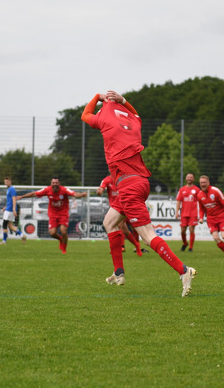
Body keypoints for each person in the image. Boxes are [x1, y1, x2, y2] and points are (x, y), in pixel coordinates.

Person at [82, 90, 196, 295]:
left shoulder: (104, 117)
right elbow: (136, 113)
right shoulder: (133, 121)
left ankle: (183, 271)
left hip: (128, 186)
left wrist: (98, 96)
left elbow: (85, 115)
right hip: (140, 182)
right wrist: (124, 101)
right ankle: (118, 272)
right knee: (109, 223)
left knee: (148, 237)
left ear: (104, 107)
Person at [19, 176, 86, 254]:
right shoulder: (47, 190)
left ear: (59, 183)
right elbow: (34, 193)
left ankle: (64, 249)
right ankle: (60, 239)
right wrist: (22, 196)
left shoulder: (64, 190)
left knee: (63, 231)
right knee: (52, 233)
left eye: (56, 183)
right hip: (53, 214)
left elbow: (74, 194)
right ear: (51, 184)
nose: (55, 184)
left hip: (63, 214)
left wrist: (82, 194)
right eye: (53, 183)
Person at [97, 175, 143, 255]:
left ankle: (136, 245)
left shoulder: (124, 178)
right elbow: (101, 188)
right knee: (121, 228)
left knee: (134, 228)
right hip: (116, 209)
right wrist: (99, 191)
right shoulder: (107, 180)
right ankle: (124, 246)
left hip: (127, 205)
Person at [196, 175, 224, 259]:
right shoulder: (199, 195)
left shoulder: (216, 191)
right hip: (211, 219)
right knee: (215, 237)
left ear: (208, 183)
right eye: (201, 183)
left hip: (221, 217)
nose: (203, 184)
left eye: (204, 182)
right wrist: (201, 218)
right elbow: (201, 209)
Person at [175, 173, 200, 252]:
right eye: (188, 177)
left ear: (193, 179)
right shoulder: (182, 189)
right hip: (184, 213)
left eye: (191, 177)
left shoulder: (197, 189)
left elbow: (200, 201)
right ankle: (185, 243)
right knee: (183, 231)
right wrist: (177, 212)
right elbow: (178, 201)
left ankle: (190, 248)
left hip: (193, 213)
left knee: (191, 229)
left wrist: (201, 213)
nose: (189, 178)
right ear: (186, 179)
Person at [0, 176, 25, 244]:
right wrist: (5, 207)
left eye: (7, 182)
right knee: (10, 226)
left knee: (4, 224)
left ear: (10, 182)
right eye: (5, 182)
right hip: (9, 208)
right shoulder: (9, 189)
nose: (6, 183)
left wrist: (14, 209)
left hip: (10, 210)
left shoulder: (12, 189)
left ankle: (4, 241)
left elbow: (14, 199)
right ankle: (22, 235)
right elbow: (9, 200)